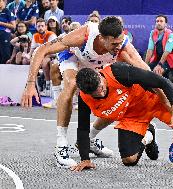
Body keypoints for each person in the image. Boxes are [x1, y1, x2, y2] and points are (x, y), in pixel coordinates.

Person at [21, 16, 157, 169]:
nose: (118, 46)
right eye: (114, 44)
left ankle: (89, 139)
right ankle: (61, 146)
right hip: (73, 56)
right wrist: (31, 84)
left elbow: (149, 75)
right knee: (72, 84)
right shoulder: (83, 35)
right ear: (102, 38)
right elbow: (42, 49)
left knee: (112, 96)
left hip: (96, 64)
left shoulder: (123, 46)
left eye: (120, 42)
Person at [144, 14, 173, 85]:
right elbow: (150, 50)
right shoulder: (153, 33)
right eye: (157, 21)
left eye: (161, 21)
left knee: (157, 73)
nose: (159, 23)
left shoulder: (170, 34)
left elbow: (167, 51)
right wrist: (144, 65)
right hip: (157, 59)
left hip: (168, 61)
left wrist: (159, 65)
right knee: (145, 72)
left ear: (165, 24)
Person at [30, 18, 57, 96]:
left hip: (53, 55)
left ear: (46, 27)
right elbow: (32, 50)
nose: (40, 28)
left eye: (42, 26)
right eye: (38, 26)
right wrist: (30, 58)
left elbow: (54, 50)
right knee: (28, 61)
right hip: (42, 56)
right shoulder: (35, 36)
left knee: (44, 61)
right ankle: (33, 86)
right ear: (36, 27)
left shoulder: (51, 35)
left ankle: (48, 85)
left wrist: (40, 56)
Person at [0, 0, 16, 64]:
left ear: (5, 2)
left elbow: (13, 26)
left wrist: (1, 23)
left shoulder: (8, 12)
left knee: (5, 53)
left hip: (4, 34)